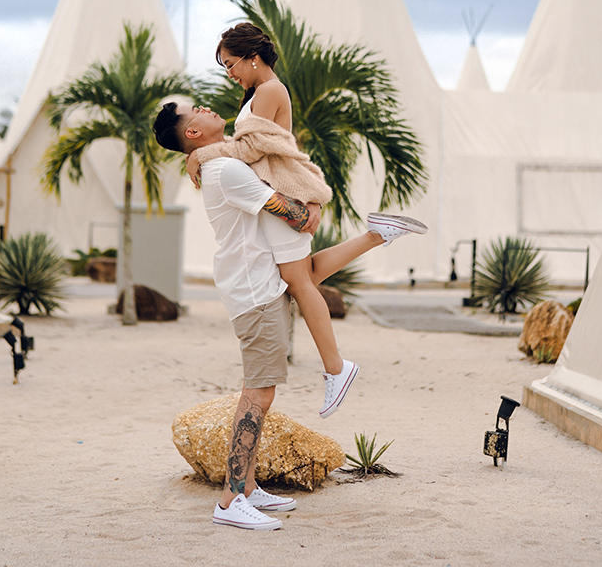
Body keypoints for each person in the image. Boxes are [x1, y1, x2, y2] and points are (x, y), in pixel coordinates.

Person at [153, 102, 420, 531]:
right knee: (258, 395)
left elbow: (304, 257)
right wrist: (310, 206)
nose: (204, 106)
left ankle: (247, 486)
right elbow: (295, 216)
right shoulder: (226, 172)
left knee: (305, 279)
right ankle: (230, 499)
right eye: (194, 110)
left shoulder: (219, 163)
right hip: (255, 293)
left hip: (261, 280)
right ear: (193, 135)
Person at [185, 22, 427, 418]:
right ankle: (378, 234)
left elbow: (248, 150)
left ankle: (336, 367)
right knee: (306, 274)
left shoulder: (269, 91)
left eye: (231, 64)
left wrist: (202, 154)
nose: (230, 73)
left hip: (283, 193)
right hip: (282, 191)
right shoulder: (259, 93)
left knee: (299, 282)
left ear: (253, 57)